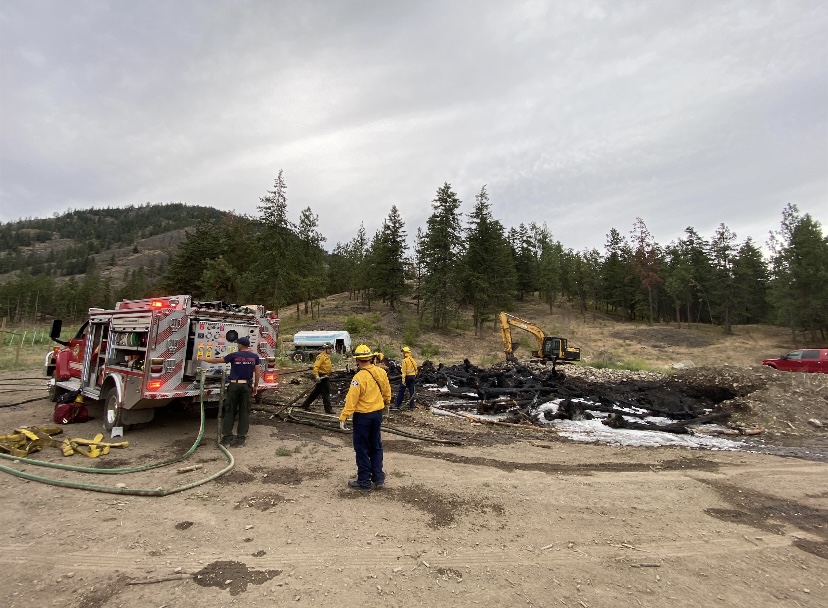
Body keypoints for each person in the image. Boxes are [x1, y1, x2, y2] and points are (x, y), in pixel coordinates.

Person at [339, 344, 391, 491]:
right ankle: (379, 478)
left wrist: (344, 416)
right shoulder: (381, 372)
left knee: (362, 448)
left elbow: (352, 399)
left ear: (357, 360)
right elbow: (387, 391)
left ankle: (364, 482)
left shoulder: (358, 378)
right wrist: (386, 403)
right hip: (377, 415)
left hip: (363, 417)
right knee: (376, 446)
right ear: (370, 358)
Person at [199, 336, 260, 447]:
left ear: (241, 345)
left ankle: (227, 439)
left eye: (238, 344)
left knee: (230, 411)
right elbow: (257, 372)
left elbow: (218, 360)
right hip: (246, 386)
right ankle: (241, 439)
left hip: (234, 385)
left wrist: (204, 358)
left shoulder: (234, 356)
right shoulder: (254, 357)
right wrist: (255, 387)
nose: (237, 345)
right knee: (244, 412)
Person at [300, 342, 334, 414]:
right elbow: (316, 367)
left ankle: (305, 405)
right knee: (326, 393)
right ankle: (328, 409)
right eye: (329, 349)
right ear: (325, 349)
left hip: (326, 376)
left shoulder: (327, 356)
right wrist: (316, 376)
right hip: (322, 377)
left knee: (315, 393)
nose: (331, 350)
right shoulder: (321, 357)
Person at [394, 345, 418, 410]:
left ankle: (397, 405)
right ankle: (412, 406)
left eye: (403, 352)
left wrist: (403, 380)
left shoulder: (405, 360)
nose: (402, 354)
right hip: (412, 377)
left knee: (401, 391)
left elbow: (404, 372)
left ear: (405, 353)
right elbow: (416, 369)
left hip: (407, 377)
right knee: (411, 391)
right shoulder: (412, 360)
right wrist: (414, 376)